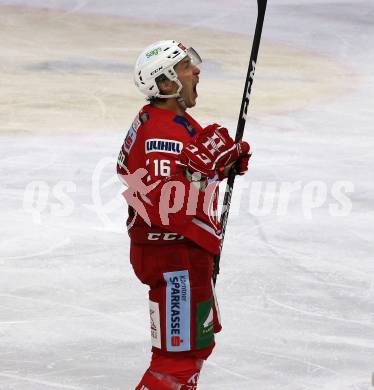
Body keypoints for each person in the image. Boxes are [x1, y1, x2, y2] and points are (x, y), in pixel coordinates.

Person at [117, 40, 251, 389]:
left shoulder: (164, 119)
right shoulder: (160, 135)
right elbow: (164, 206)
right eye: (184, 66)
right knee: (175, 361)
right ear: (165, 84)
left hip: (178, 254)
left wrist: (219, 166)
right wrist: (199, 173)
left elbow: (177, 175)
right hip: (174, 257)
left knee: (194, 349)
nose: (195, 70)